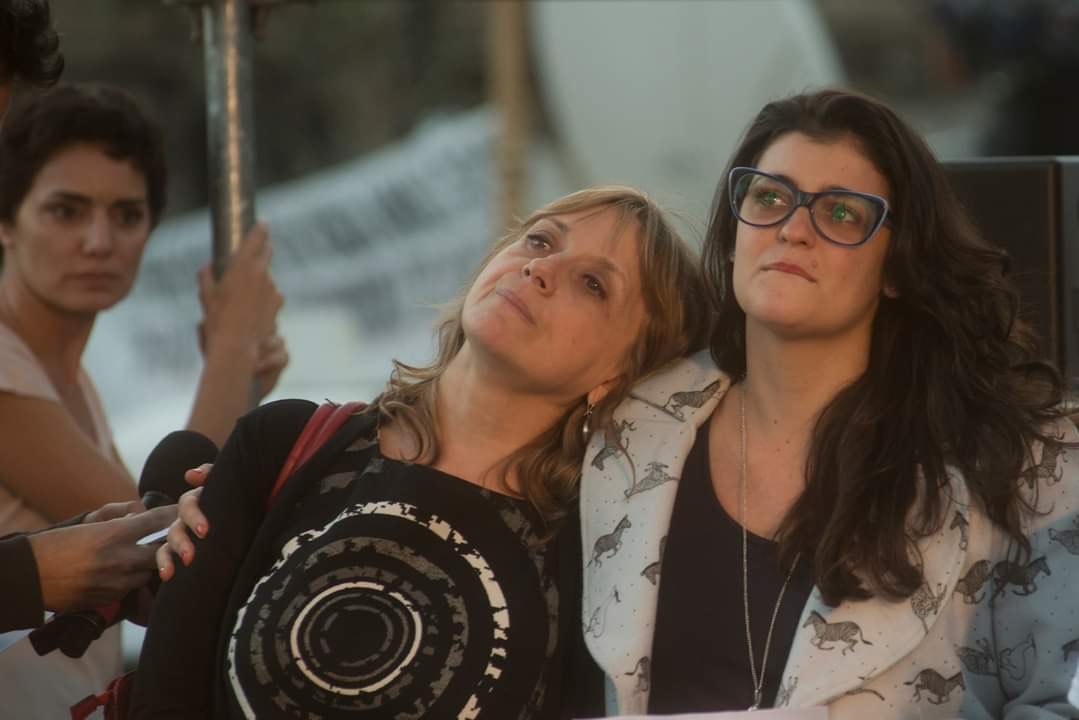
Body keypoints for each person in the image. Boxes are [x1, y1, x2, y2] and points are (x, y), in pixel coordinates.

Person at [574, 88, 1079, 718]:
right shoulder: (628, 426)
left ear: (896, 266)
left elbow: (1053, 704)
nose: (792, 229)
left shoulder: (1015, 460)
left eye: (841, 213)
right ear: (734, 234)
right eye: (769, 197)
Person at [131, 185, 706, 718]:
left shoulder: (593, 557)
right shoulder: (281, 445)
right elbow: (163, 700)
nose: (541, 268)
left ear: (621, 374)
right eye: (540, 240)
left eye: (593, 284)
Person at [0, 82, 288, 716]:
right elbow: (159, 538)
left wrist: (236, 372)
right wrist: (231, 346)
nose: (99, 241)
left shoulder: (69, 380)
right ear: (6, 223)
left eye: (127, 216)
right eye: (65, 211)